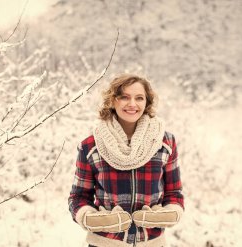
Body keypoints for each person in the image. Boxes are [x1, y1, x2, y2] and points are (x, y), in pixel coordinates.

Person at [68, 74, 184, 247]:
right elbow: (78, 197)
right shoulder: (91, 145)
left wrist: (169, 213)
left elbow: (174, 193)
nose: (132, 104)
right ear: (113, 100)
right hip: (104, 243)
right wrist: (90, 218)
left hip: (152, 243)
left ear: (147, 102)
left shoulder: (165, 143)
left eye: (139, 98)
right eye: (124, 97)